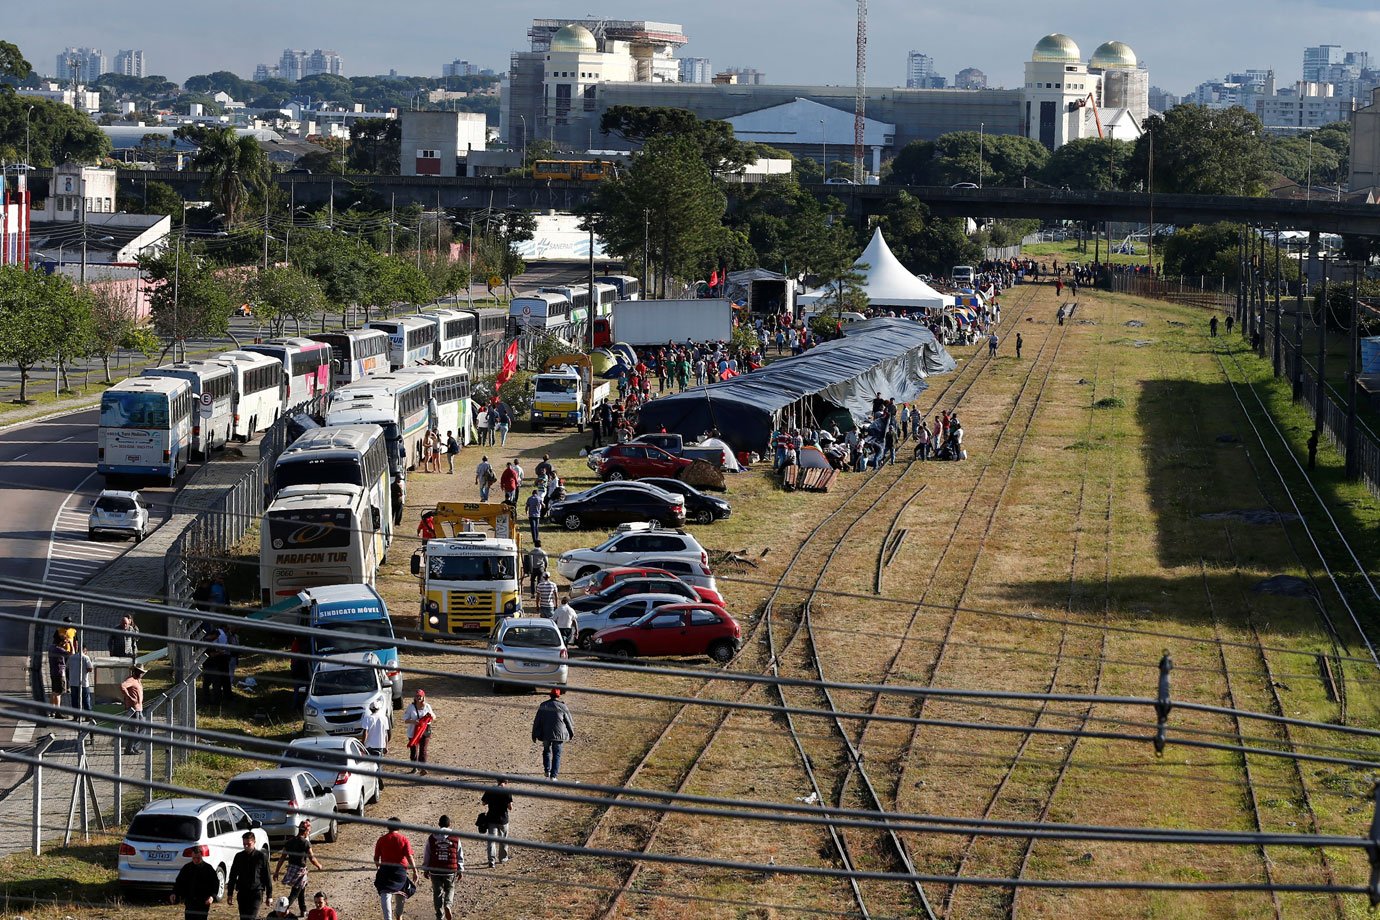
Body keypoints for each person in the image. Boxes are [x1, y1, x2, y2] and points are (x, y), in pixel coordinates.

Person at [274, 820, 323, 916]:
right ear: (306, 831)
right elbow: (311, 858)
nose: (309, 833)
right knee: (294, 893)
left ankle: (303, 910)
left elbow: (282, 857)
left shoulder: (289, 842)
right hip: (300, 871)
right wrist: (319, 865)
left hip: (291, 869)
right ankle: (282, 910)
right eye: (309, 831)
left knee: (302, 889)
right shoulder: (305, 843)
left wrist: (276, 871)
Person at [374, 819, 418, 920]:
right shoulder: (403, 839)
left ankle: (387, 917)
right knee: (401, 892)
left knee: (385, 893)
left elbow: (376, 858)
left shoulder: (381, 840)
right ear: (399, 827)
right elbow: (409, 857)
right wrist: (415, 871)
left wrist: (379, 868)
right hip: (400, 873)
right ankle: (399, 915)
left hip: (385, 871)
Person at [423, 814, 464, 920]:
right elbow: (459, 854)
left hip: (435, 870)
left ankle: (439, 915)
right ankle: (448, 905)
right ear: (450, 824)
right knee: (450, 888)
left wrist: (426, 869)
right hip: (450, 869)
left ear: (439, 824)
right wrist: (460, 869)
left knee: (437, 893)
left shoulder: (432, 837)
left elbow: (427, 853)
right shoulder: (455, 837)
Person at [227, 832, 273, 920]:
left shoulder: (261, 857)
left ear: (254, 842)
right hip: (242, 893)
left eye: (248, 844)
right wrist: (230, 894)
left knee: (251, 917)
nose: (246, 846)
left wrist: (269, 895)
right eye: (244, 844)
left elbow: (267, 876)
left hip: (256, 892)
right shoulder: (239, 857)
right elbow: (232, 876)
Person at [532, 688, 576, 780]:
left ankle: (547, 770)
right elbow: (569, 722)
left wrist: (534, 734)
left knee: (546, 751)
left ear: (550, 695)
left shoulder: (543, 705)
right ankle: (553, 776)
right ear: (558, 696)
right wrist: (571, 733)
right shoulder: (563, 706)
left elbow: (537, 721)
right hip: (559, 736)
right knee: (557, 754)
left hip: (546, 734)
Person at [171, 845, 221, 920]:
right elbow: (179, 882)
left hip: (203, 902)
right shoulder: (187, 868)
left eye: (198, 858)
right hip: (190, 901)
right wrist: (174, 893)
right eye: (194, 858)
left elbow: (215, 883)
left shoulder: (208, 869)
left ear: (202, 856)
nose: (196, 860)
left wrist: (212, 896)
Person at [480, 779, 513, 868]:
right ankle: (503, 858)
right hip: (503, 819)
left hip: (492, 818)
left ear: (497, 781)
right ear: (506, 782)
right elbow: (510, 807)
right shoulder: (507, 791)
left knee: (491, 841)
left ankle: (491, 861)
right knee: (503, 839)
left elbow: (483, 803)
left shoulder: (490, 790)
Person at [404, 690, 435, 775]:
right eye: (417, 696)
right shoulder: (411, 707)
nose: (418, 697)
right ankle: (414, 767)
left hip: (425, 731)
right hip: (413, 732)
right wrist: (415, 722)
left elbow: (433, 716)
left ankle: (423, 768)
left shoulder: (427, 706)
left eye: (420, 696)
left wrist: (430, 717)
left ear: (423, 697)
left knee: (423, 749)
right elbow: (405, 720)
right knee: (413, 750)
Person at [121, 664, 147, 754]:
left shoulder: (138, 681)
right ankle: (129, 749)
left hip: (139, 708)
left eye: (142, 672)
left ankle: (134, 747)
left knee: (143, 727)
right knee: (134, 729)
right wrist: (129, 697)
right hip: (133, 709)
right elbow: (123, 686)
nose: (141, 674)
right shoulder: (131, 680)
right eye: (140, 672)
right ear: (135, 671)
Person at [68, 643, 94, 722]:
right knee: (86, 699)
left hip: (73, 682)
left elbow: (67, 667)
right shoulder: (86, 658)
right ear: (85, 650)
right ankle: (87, 716)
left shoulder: (71, 657)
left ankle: (76, 716)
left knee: (74, 700)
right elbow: (90, 668)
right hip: (83, 682)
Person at [359, 700, 389, 765]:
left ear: (370, 709)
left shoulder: (367, 718)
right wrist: (386, 746)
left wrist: (363, 743)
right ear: (378, 709)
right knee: (378, 765)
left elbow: (365, 732)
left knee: (369, 765)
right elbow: (386, 734)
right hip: (380, 745)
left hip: (369, 746)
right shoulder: (384, 718)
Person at [47, 635, 69, 716]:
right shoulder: (59, 650)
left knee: (54, 692)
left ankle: (52, 710)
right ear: (60, 642)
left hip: (53, 672)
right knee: (59, 693)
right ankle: (58, 712)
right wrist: (69, 644)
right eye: (64, 642)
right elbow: (71, 653)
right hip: (60, 673)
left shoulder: (51, 647)